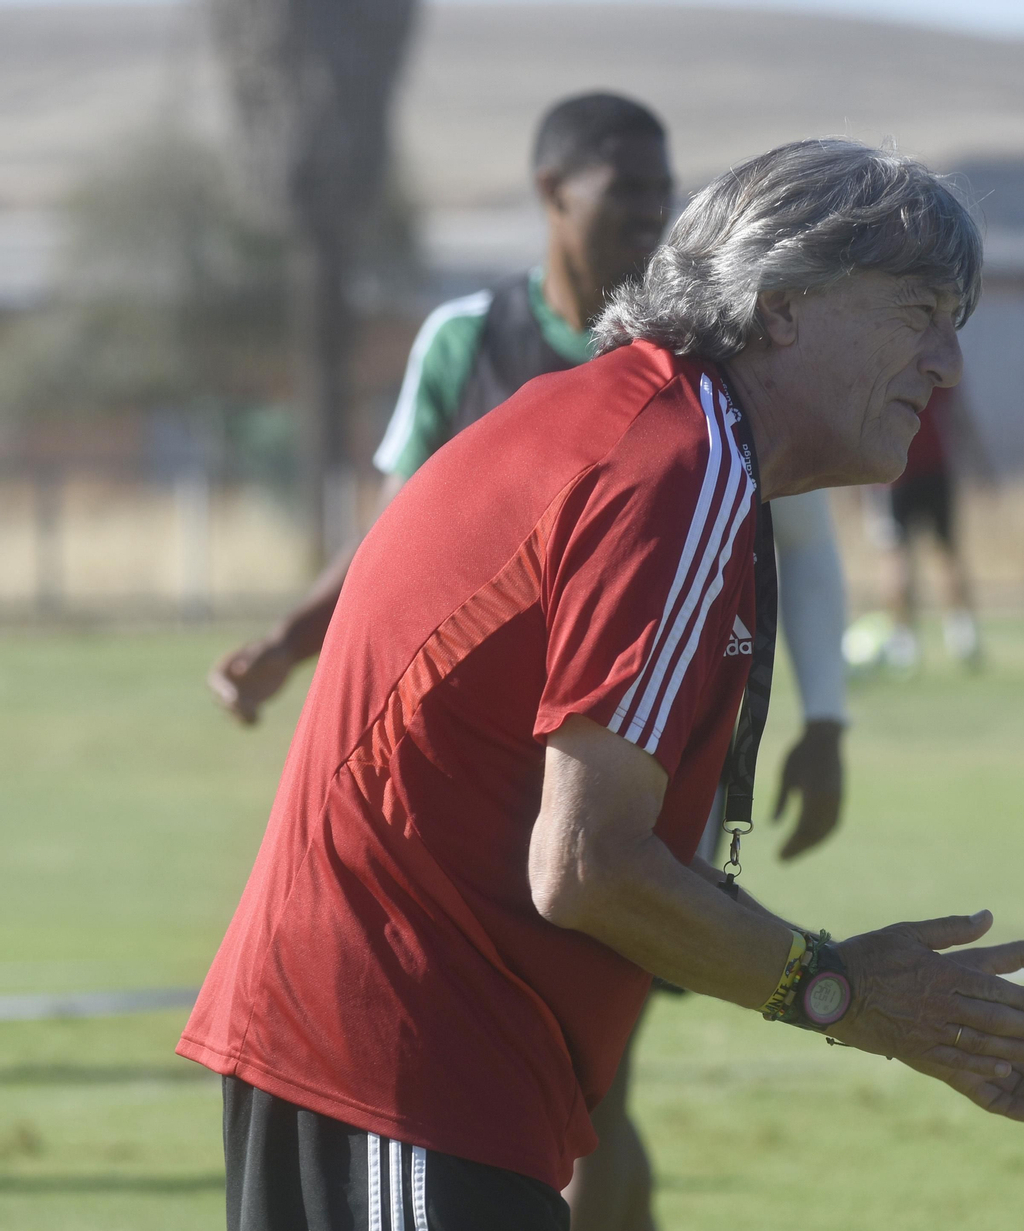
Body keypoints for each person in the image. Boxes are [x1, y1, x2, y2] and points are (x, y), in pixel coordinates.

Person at [179, 138, 1024, 1231]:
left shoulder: (663, 430)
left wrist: (858, 988)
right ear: (782, 305)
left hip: (416, 1063)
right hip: (399, 1061)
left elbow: (608, 854)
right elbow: (588, 866)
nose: (949, 364)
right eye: (919, 311)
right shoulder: (679, 462)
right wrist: (842, 993)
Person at [206, 94, 850, 1231]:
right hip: (427, 958)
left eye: (664, 193)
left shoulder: (699, 408)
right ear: (553, 194)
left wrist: (827, 718)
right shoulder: (520, 358)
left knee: (588, 1082)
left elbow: (797, 541)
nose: (649, 213)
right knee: (572, 1080)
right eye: (627, 192)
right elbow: (401, 531)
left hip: (572, 835)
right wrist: (285, 643)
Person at [882, 383, 983, 670]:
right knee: (945, 551)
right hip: (933, 467)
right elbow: (957, 413)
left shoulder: (885, 356)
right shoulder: (934, 358)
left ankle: (904, 642)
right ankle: (962, 635)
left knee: (896, 554)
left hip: (894, 471)